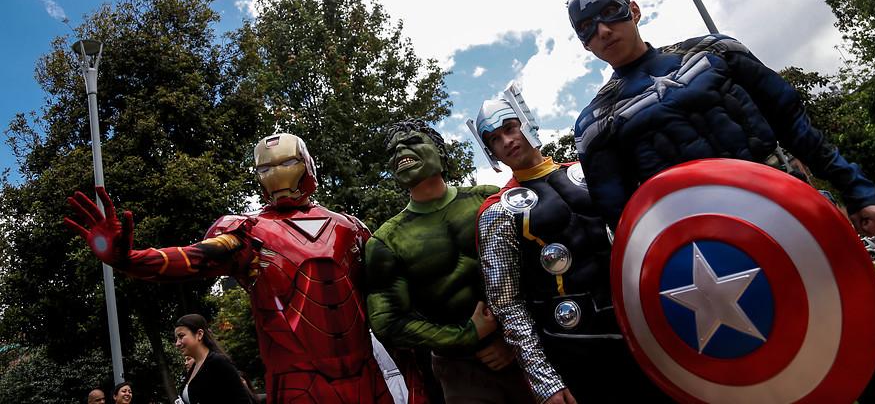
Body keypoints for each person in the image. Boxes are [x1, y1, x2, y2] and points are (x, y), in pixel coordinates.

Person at [566, 0, 875, 398]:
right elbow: (627, 223)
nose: (603, 30)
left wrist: (858, 190)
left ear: (633, 10)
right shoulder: (596, 124)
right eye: (586, 27)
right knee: (776, 376)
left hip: (795, 224)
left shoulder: (715, 52)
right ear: (584, 44)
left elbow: (794, 125)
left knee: (871, 334)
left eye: (609, 13)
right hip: (713, 261)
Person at [66, 133, 401, 403]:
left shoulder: (349, 228)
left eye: (286, 162)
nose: (276, 173)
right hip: (300, 383)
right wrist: (129, 259)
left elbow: (393, 298)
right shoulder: (248, 232)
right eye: (266, 167)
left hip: (366, 376)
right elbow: (192, 258)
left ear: (307, 164)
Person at [470, 84, 666, 403]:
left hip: (643, 323)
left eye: (509, 128)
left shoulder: (588, 171)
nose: (506, 141)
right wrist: (544, 378)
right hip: (575, 344)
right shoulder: (497, 211)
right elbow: (507, 302)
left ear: (526, 122)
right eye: (494, 139)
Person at [366, 119, 533, 403]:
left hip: (527, 352)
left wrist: (513, 340)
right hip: (459, 371)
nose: (401, 152)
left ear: (440, 152)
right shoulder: (385, 241)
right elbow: (387, 323)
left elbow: (533, 266)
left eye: (412, 142)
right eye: (394, 150)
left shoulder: (489, 199)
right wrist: (466, 335)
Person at [174, 313, 254, 404]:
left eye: (181, 336)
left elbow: (242, 399)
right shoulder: (194, 367)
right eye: (176, 339)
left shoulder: (217, 362)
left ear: (199, 334)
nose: (177, 343)